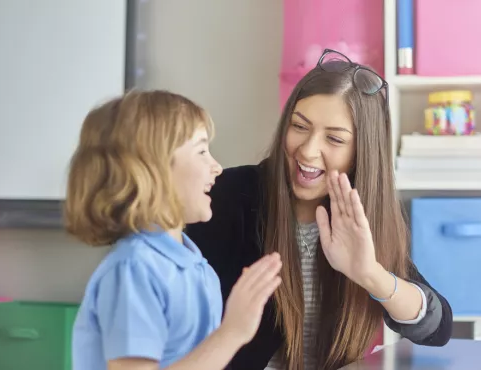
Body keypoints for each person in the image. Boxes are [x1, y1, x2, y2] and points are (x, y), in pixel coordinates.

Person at [185, 49, 453, 370]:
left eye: (335, 140)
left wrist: (369, 273)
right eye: (299, 126)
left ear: (361, 154)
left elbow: (436, 328)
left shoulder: (361, 215)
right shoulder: (227, 194)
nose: (309, 151)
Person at [64, 90, 283, 370]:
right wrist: (232, 333)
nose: (216, 167)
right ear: (154, 170)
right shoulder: (134, 269)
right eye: (202, 151)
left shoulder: (197, 267)